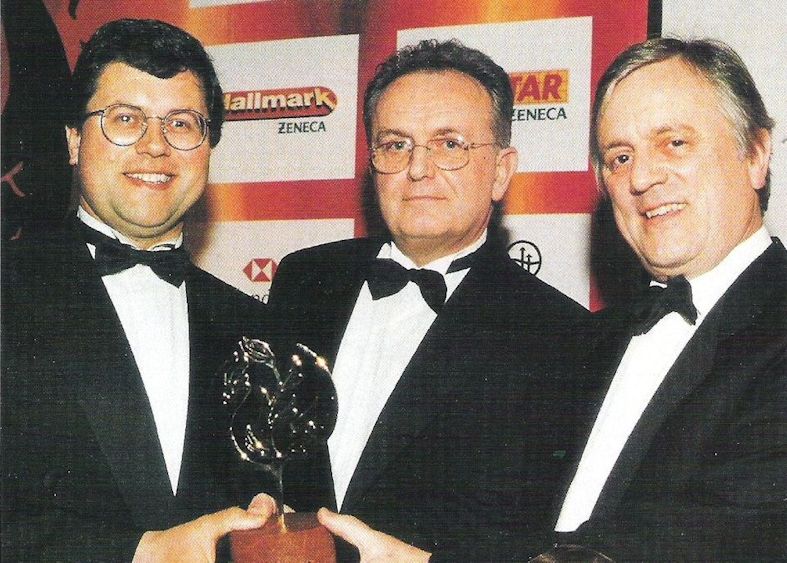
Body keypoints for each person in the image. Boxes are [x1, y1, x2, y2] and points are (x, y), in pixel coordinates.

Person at [316, 37, 787, 561]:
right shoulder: (594, 340)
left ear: (756, 154)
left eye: (675, 143)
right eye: (620, 156)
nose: (643, 177)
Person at [266, 39, 591, 561]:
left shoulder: (561, 337)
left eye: (450, 144)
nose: (419, 169)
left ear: (502, 171)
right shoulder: (306, 279)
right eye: (396, 145)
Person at [1, 19, 277, 562]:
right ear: (74, 142)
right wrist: (137, 553)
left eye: (181, 123)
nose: (156, 146)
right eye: (124, 119)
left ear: (208, 150)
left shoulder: (252, 325)